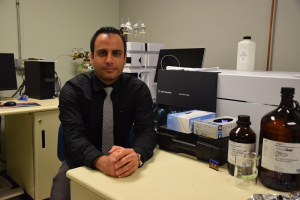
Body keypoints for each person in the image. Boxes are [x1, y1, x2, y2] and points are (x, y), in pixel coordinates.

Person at [51, 26, 157, 200]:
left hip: (122, 163)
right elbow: (73, 137)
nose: (109, 60)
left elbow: (146, 131)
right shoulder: (72, 90)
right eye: (102, 53)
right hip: (79, 164)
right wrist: (100, 161)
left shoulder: (138, 90)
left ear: (124, 58)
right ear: (92, 57)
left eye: (116, 54)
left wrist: (137, 155)